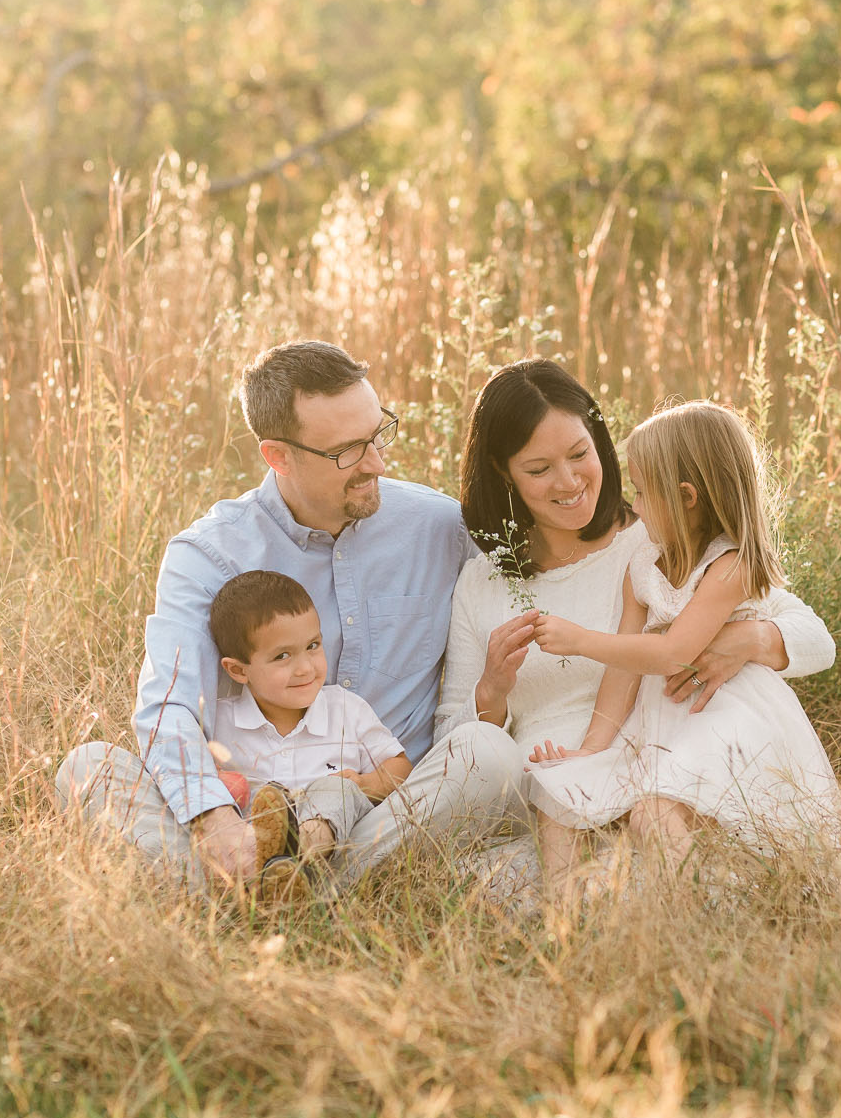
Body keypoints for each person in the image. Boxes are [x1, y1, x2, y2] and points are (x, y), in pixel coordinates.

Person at [55, 340, 520, 890]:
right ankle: (259, 881)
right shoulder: (208, 555)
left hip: (388, 813)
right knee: (89, 767)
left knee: (490, 756)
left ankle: (284, 895)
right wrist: (215, 820)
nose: (376, 463)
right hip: (250, 809)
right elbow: (167, 708)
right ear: (277, 456)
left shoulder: (441, 527)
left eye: (378, 434)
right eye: (347, 451)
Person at [433, 362, 841, 892]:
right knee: (506, 883)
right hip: (551, 788)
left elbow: (815, 638)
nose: (569, 482)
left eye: (580, 454)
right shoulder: (481, 582)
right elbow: (453, 741)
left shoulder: (656, 540)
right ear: (502, 471)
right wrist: (491, 694)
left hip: (658, 776)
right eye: (539, 469)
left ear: (598, 440)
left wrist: (750, 639)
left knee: (644, 877)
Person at [206, 570, 412, 892]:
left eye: (313, 645)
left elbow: (400, 767)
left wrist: (364, 784)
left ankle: (297, 862)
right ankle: (273, 878)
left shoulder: (346, 709)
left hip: (337, 848)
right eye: (282, 656)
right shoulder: (221, 723)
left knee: (336, 790)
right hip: (247, 851)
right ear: (238, 670)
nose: (305, 667)